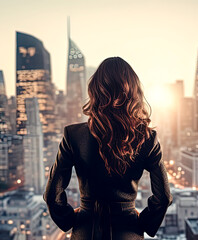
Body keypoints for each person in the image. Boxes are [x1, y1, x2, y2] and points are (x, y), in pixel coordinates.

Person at [43, 57, 172, 240]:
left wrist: (71, 219)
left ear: (95, 90)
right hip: (128, 231)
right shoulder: (147, 137)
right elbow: (163, 197)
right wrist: (143, 222)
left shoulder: (73, 135)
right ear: (133, 91)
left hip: (85, 231)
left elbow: (51, 195)